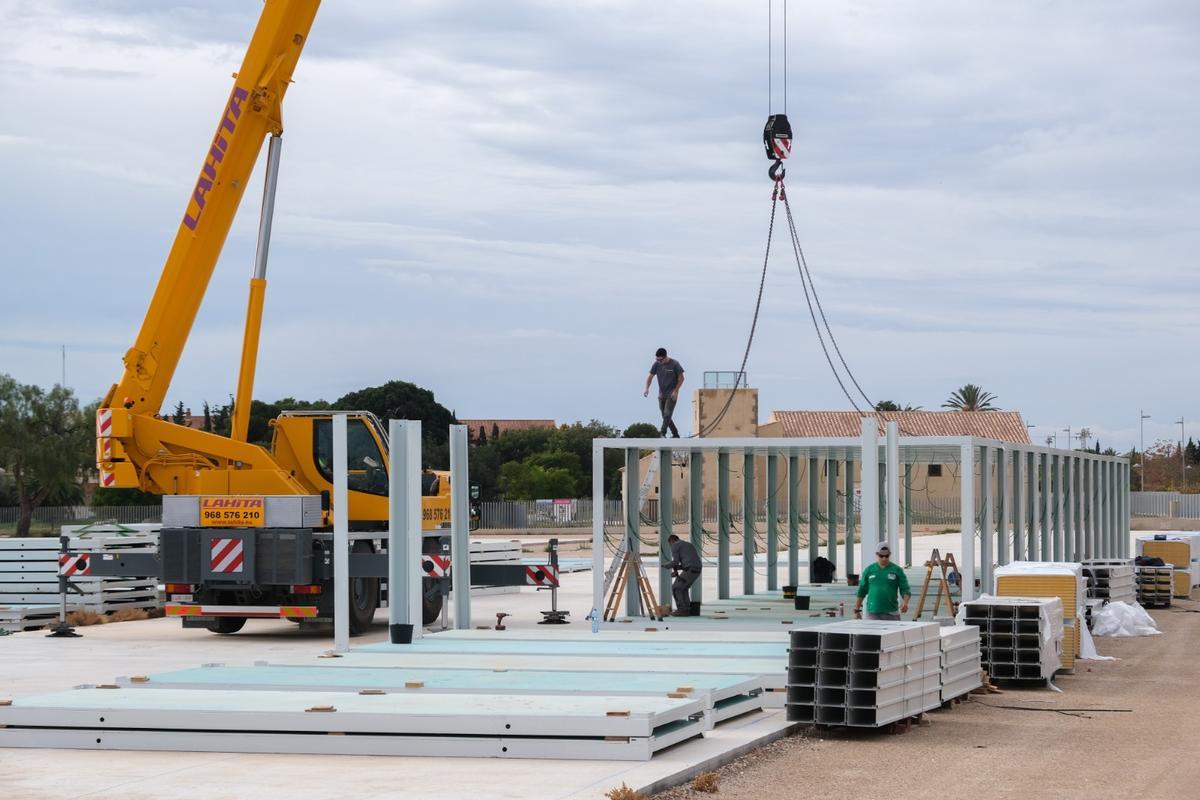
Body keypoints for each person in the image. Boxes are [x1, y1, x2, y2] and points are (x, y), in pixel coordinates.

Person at [853, 543, 910, 621]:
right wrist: (856, 610)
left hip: (891, 612)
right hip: (872, 612)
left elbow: (905, 589)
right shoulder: (869, 570)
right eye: (881, 556)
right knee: (872, 633)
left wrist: (905, 603)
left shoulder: (897, 570)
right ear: (877, 554)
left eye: (887, 556)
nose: (884, 558)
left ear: (889, 554)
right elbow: (862, 591)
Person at [643, 347, 685, 438]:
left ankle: (662, 433)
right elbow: (650, 377)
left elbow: (681, 379)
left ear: (665, 357)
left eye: (660, 360)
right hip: (662, 394)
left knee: (667, 413)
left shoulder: (675, 364)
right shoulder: (656, 364)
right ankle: (675, 434)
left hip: (672, 394)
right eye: (657, 360)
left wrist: (676, 391)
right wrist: (646, 389)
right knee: (665, 416)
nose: (659, 362)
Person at [662, 534, 702, 616]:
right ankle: (687, 609)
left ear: (671, 541)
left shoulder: (675, 545)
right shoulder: (688, 545)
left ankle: (682, 610)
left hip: (690, 569)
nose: (670, 547)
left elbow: (675, 561)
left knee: (676, 588)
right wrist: (677, 570)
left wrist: (666, 565)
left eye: (670, 545)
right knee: (683, 588)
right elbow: (686, 562)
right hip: (696, 569)